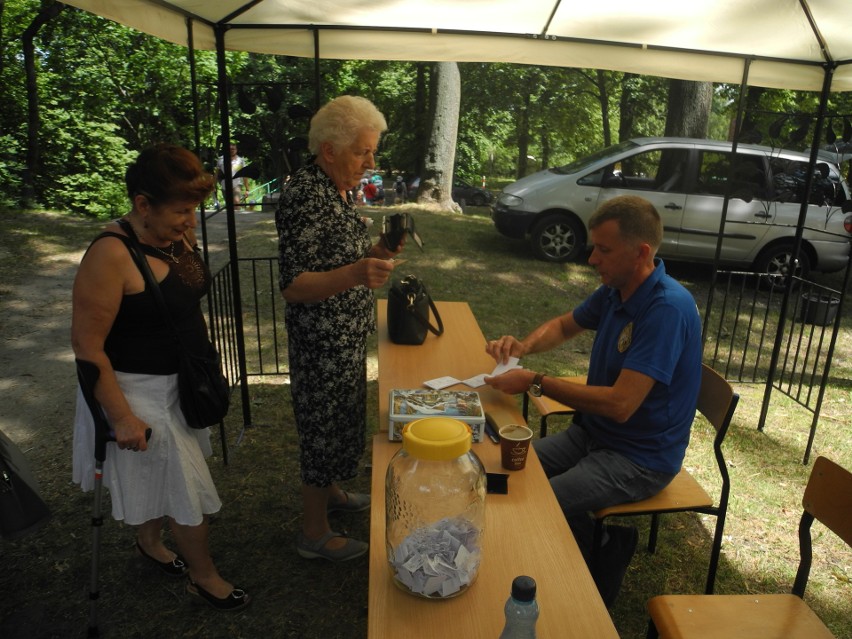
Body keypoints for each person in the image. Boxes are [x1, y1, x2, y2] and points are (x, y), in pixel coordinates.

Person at [484, 195, 702, 606]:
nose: (591, 259)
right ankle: (591, 543)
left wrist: (535, 381)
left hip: (640, 458)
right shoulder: (616, 289)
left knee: (541, 502)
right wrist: (521, 349)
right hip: (594, 435)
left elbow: (622, 404)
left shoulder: (666, 309)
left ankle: (596, 564)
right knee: (507, 469)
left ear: (641, 252)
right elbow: (566, 325)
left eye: (603, 249)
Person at [71, 143, 250, 611]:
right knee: (185, 488)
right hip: (136, 392)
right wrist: (123, 417)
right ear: (142, 205)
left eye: (195, 210)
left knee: (160, 478)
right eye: (183, 211)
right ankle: (204, 577)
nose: (191, 221)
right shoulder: (110, 256)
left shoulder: (170, 237)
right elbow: (87, 348)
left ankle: (149, 544)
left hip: (181, 386)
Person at [275, 95, 402, 562]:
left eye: (372, 151)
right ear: (329, 150)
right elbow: (294, 284)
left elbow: (341, 252)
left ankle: (330, 492)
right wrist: (356, 274)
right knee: (322, 429)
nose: (370, 162)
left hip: (343, 334)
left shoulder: (335, 189)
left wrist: (381, 250)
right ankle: (313, 532)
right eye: (361, 151)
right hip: (321, 339)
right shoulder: (306, 195)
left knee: (340, 419)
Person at [216, 142, 250, 209]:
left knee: (236, 203)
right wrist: (213, 185)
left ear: (236, 150)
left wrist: (247, 189)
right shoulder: (221, 159)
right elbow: (217, 173)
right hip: (224, 185)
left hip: (236, 184)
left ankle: (237, 218)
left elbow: (245, 175)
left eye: (233, 149)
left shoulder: (240, 160)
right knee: (229, 205)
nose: (231, 150)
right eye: (229, 149)